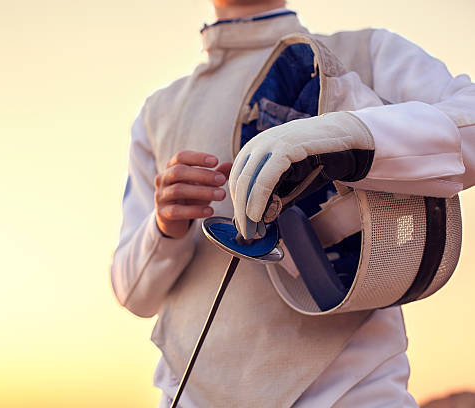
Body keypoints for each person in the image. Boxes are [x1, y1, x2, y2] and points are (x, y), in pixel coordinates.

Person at [111, 0, 475, 406]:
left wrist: (350, 138)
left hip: (351, 391)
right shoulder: (159, 112)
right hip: (190, 393)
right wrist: (164, 227)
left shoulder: (368, 53)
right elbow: (133, 293)